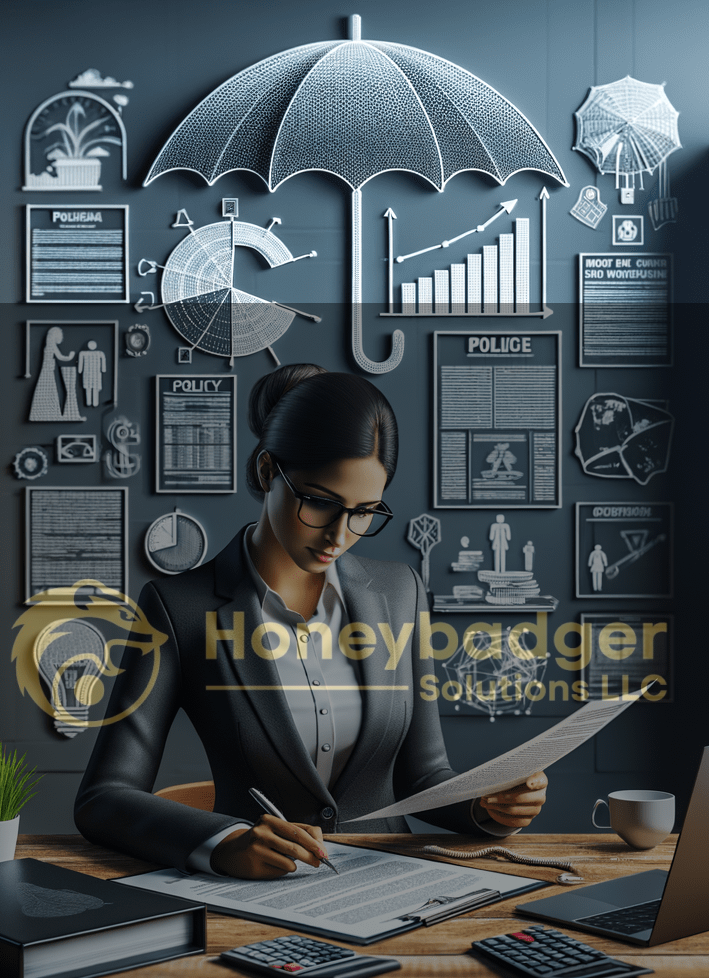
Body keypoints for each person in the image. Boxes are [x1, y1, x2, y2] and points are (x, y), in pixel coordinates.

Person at [74, 365, 547, 879]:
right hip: (256, 894)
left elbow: (422, 776)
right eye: (320, 503)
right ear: (265, 471)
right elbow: (105, 796)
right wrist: (224, 842)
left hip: (393, 885)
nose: (339, 536)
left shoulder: (400, 593)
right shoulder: (178, 607)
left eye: (364, 511)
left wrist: (485, 807)